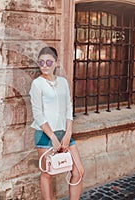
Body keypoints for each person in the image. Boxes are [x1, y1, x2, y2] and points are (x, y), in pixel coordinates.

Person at [29, 47, 84, 200]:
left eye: (48, 62)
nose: (44, 65)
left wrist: (68, 134)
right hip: (46, 135)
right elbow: (38, 114)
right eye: (41, 62)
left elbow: (69, 107)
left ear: (55, 63)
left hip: (64, 133)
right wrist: (53, 137)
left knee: (78, 172)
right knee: (47, 173)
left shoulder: (63, 82)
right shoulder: (37, 84)